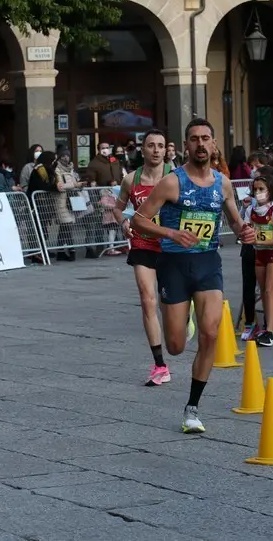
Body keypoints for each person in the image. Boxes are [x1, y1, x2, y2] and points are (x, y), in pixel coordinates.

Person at [132, 118, 254, 433]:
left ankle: (192, 408)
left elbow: (235, 221)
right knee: (174, 346)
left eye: (205, 138)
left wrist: (244, 231)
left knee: (210, 334)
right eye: (194, 139)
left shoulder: (223, 183)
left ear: (213, 143)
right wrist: (171, 233)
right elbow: (139, 220)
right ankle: (183, 318)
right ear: (186, 145)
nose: (201, 144)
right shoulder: (172, 182)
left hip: (207, 263)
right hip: (174, 266)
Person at [115, 129, 171, 386]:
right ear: (143, 149)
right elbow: (118, 208)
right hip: (143, 244)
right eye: (151, 145)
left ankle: (185, 312)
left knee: (169, 304)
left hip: (171, 246)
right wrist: (124, 222)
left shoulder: (175, 176)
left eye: (160, 145)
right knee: (148, 300)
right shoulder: (131, 179)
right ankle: (160, 365)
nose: (156, 150)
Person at [248, 169, 273, 347]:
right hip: (259, 253)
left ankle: (271, 331)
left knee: (270, 290)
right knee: (263, 291)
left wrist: (260, 241)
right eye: (255, 189)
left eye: (261, 189)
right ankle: (267, 327)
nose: (258, 192)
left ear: (270, 191)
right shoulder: (250, 210)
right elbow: (246, 229)